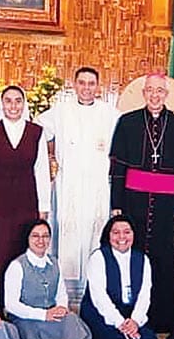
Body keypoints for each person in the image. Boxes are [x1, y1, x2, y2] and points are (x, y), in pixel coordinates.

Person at [109, 73, 174, 333]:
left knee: (164, 255)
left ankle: (162, 315)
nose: (155, 96)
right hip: (134, 200)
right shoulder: (128, 122)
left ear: (166, 95)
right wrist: (117, 204)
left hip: (167, 201)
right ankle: (128, 311)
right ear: (143, 93)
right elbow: (119, 168)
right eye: (150, 91)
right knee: (133, 252)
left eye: (160, 91)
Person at [35, 67, 120, 295]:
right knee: (69, 235)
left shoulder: (110, 114)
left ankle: (95, 289)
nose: (86, 88)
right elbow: (36, 131)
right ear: (74, 85)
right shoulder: (61, 111)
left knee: (96, 232)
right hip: (69, 185)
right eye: (82, 83)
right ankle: (67, 291)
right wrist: (50, 155)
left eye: (91, 84)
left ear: (98, 87)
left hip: (98, 185)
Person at [4, 220, 106, 339]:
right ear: (27, 239)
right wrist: (44, 314)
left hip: (50, 315)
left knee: (70, 318)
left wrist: (60, 309)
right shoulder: (17, 266)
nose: (41, 240)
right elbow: (11, 305)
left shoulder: (54, 263)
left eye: (45, 236)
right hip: (27, 319)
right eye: (36, 236)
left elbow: (61, 294)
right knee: (67, 323)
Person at [0, 86, 51, 307]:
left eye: (18, 101)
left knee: (23, 249)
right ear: (2, 104)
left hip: (27, 199)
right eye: (8, 101)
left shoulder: (36, 132)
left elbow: (42, 170)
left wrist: (43, 206)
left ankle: (23, 305)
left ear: (24, 103)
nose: (13, 106)